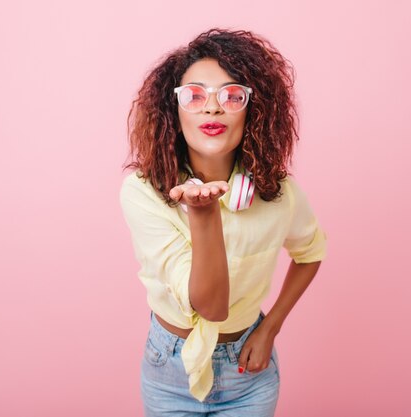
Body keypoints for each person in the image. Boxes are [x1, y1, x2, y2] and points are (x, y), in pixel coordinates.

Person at [119, 28, 328, 417]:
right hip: (170, 369)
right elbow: (210, 307)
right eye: (194, 96)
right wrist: (205, 216)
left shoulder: (279, 194)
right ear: (173, 109)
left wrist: (271, 328)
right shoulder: (141, 193)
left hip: (248, 372)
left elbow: (311, 253)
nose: (212, 108)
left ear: (254, 109)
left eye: (232, 96)